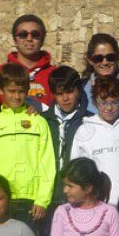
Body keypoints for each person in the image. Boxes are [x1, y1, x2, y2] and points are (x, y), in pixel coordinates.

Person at [0, 64, 56, 232]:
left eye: (21, 91)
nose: (16, 96)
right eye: (11, 91)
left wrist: (42, 199)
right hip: (0, 199)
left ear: (27, 91)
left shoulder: (39, 122)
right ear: (1, 90)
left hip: (30, 200)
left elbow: (47, 162)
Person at [70, 75, 119, 205]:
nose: (109, 108)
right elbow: (77, 171)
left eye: (114, 102)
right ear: (95, 102)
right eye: (103, 102)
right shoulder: (84, 130)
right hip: (97, 204)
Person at [41, 66, 87, 212]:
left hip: (79, 195)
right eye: (60, 93)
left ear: (79, 90)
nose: (65, 98)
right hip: (47, 195)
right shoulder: (43, 120)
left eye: (70, 92)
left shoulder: (90, 121)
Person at [0, 14, 58, 109]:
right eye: (23, 35)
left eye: (35, 35)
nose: (29, 39)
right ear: (14, 39)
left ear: (43, 39)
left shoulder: (55, 74)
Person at [80, 33, 119, 112]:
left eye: (110, 57)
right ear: (90, 60)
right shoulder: (80, 89)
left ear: (117, 57)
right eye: (98, 58)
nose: (105, 62)